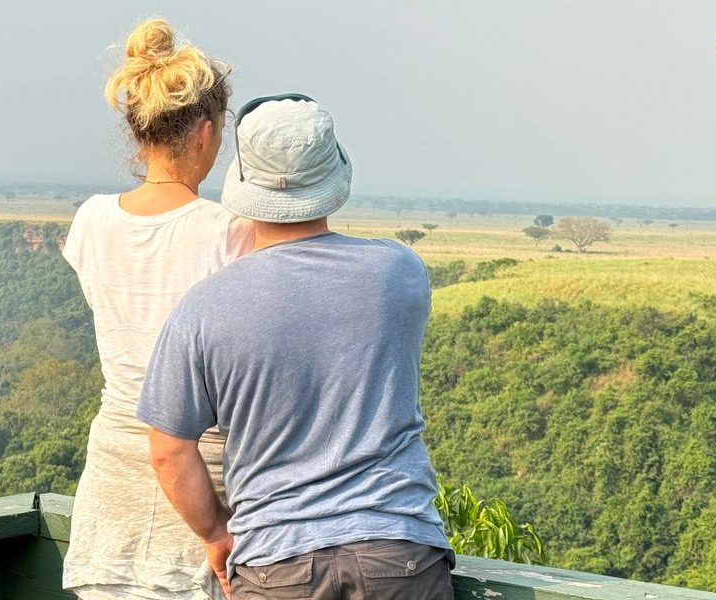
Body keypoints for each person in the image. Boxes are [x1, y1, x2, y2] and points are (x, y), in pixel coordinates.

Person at [138, 96, 455, 600]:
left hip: (275, 564)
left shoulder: (203, 308)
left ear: (244, 185)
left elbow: (169, 450)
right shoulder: (400, 273)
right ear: (334, 179)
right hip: (399, 551)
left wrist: (217, 534)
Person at [61, 18, 254, 600]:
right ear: (203, 131)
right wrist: (217, 526)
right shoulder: (228, 232)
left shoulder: (91, 220)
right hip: (204, 482)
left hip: (113, 470)